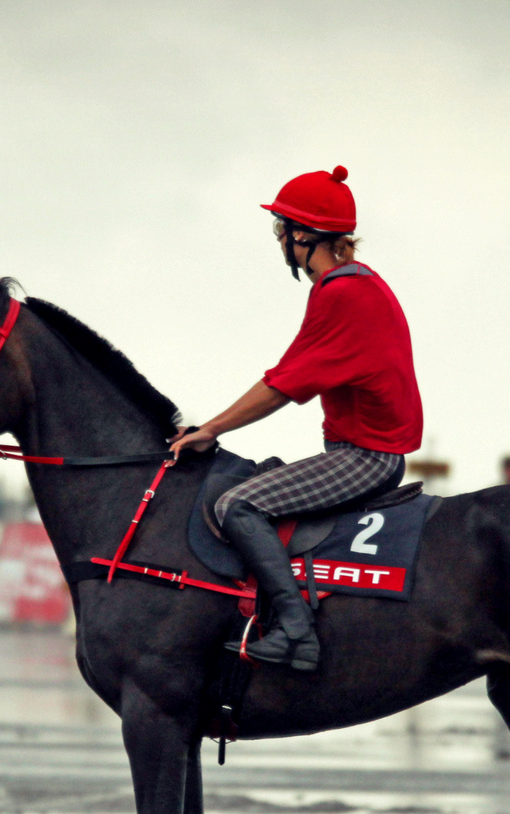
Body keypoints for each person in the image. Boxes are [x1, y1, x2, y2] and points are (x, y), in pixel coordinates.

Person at [169, 166, 422, 670]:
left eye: (280, 230)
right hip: (364, 451)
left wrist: (210, 429)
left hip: (366, 458)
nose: (279, 240)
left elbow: (282, 384)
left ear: (303, 235)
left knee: (237, 505)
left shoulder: (342, 293)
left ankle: (296, 632)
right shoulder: (355, 283)